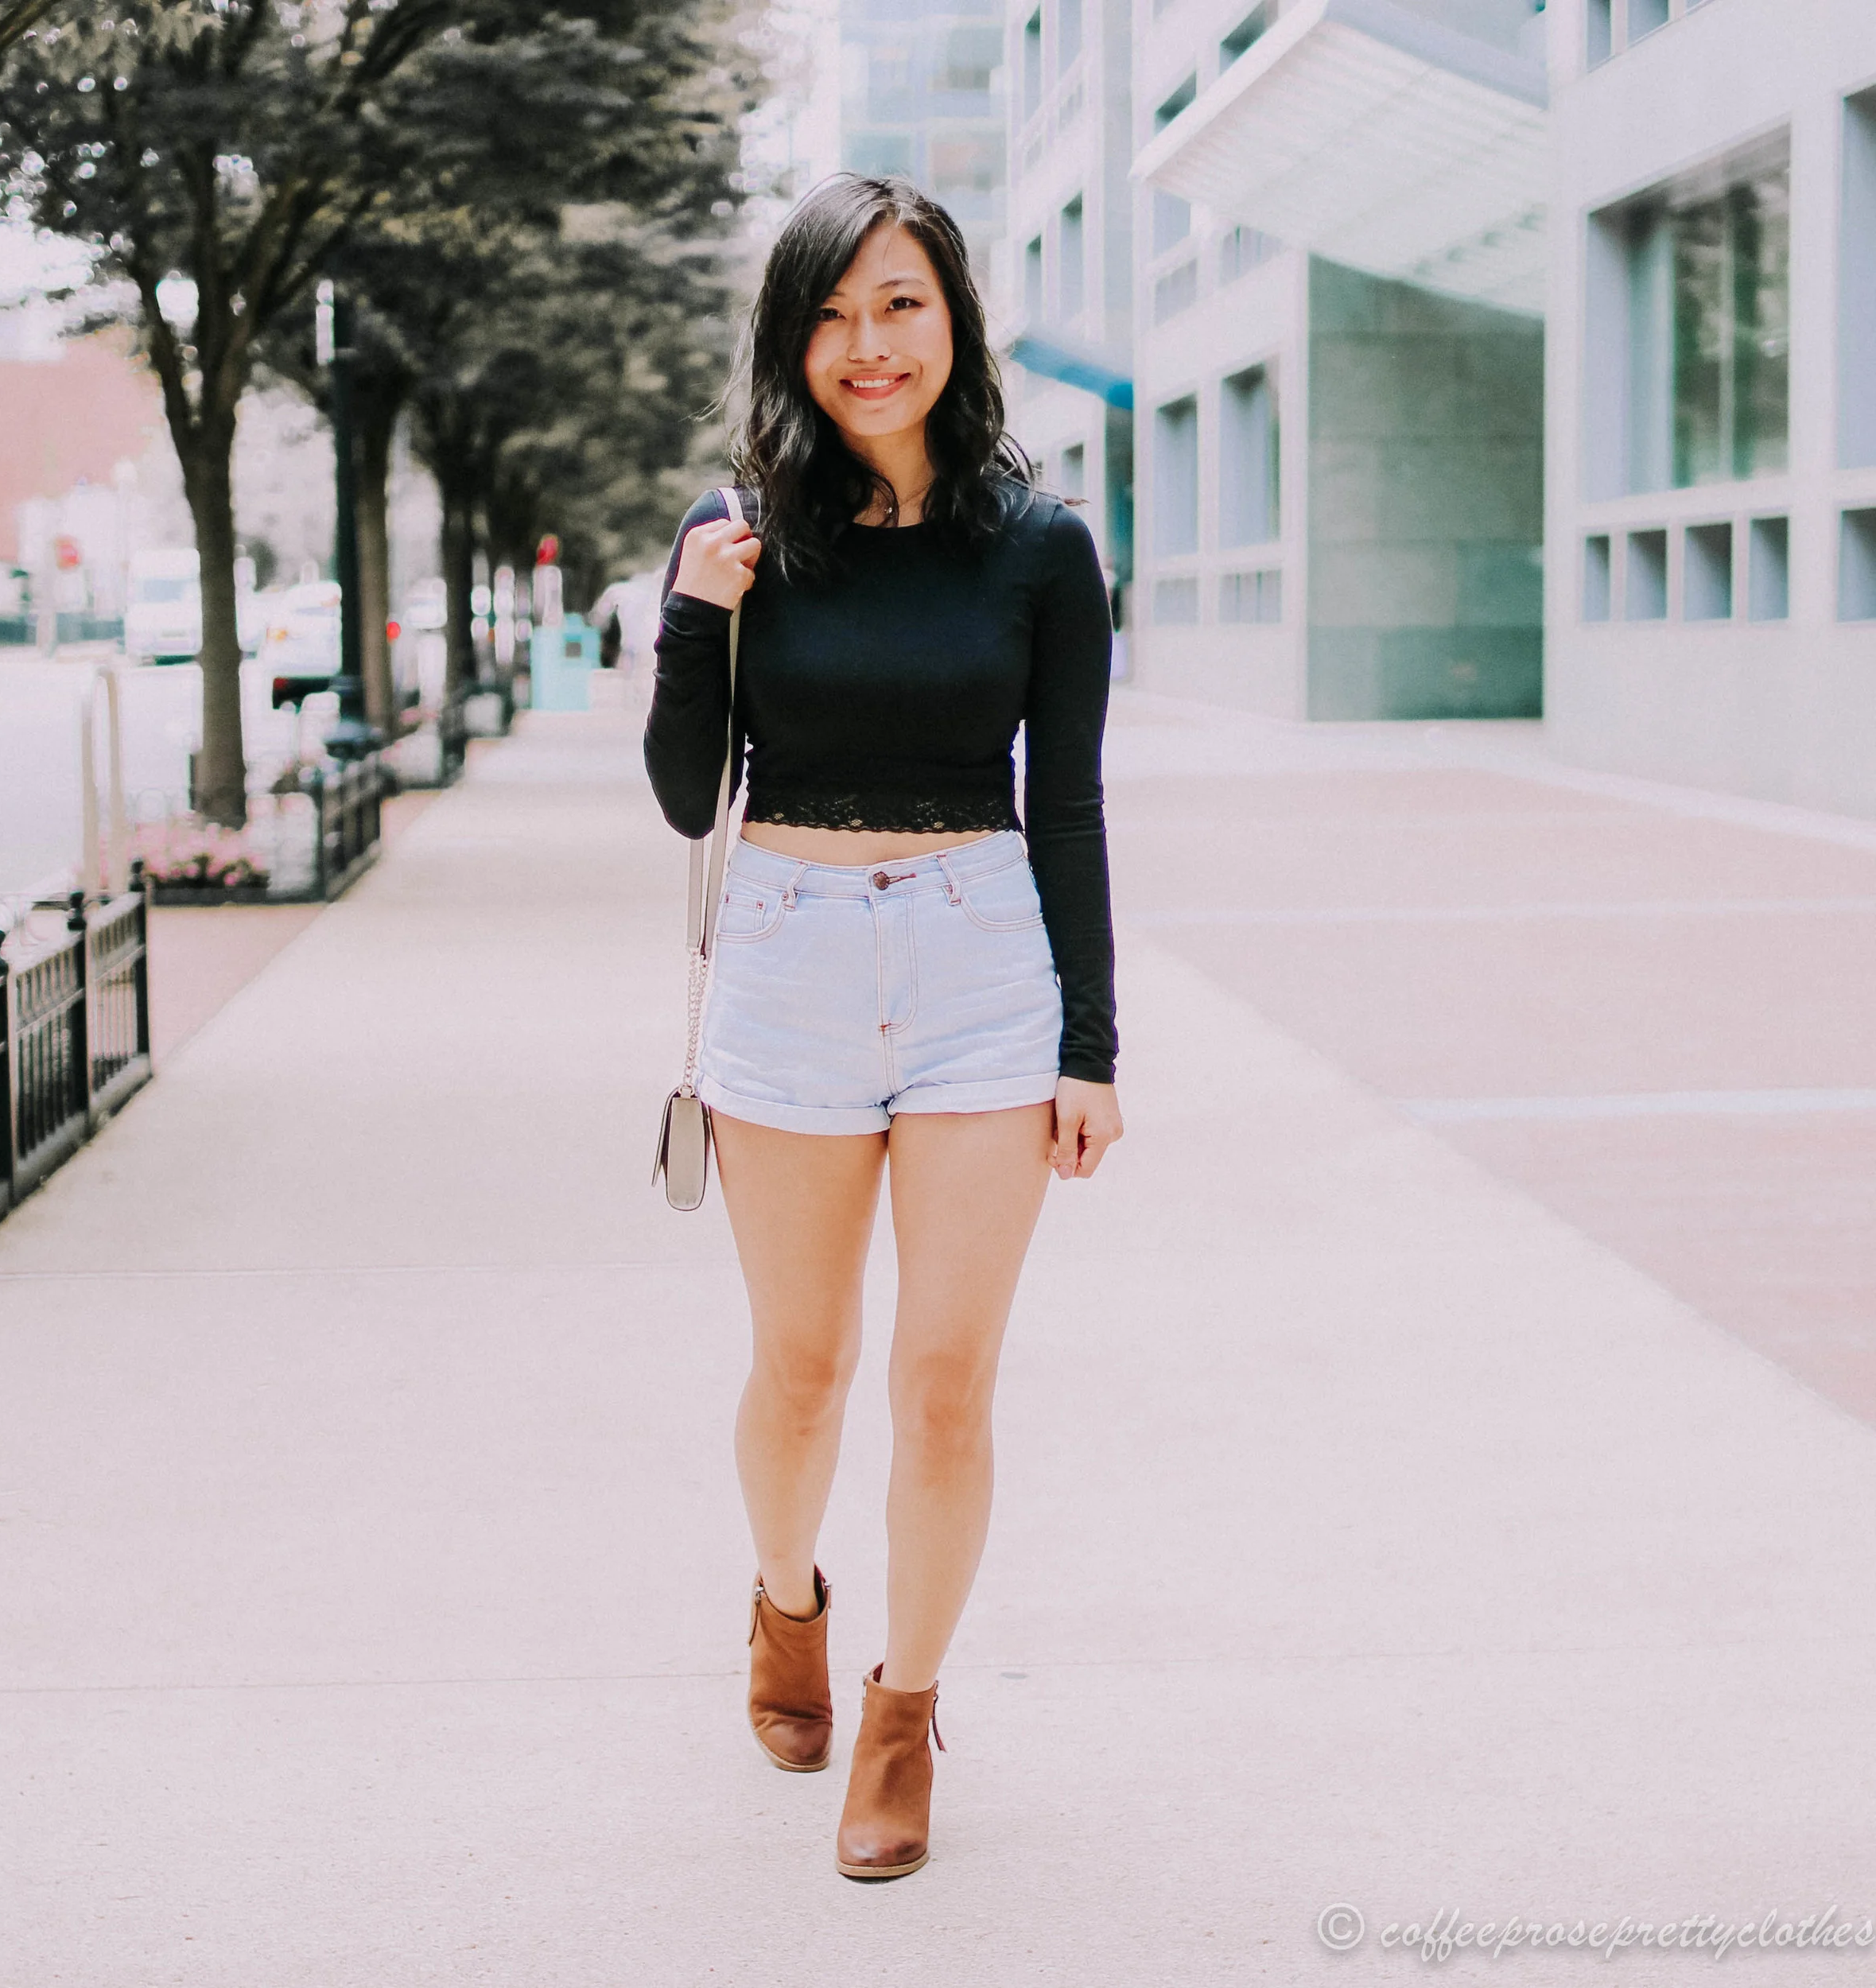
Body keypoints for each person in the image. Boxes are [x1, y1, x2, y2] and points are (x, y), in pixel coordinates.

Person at [643, 173, 1122, 1881]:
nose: (869, 344)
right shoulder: (741, 523)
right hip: (783, 952)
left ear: (953, 320)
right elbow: (680, 786)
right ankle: (785, 1601)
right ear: (794, 336)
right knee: (804, 1364)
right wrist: (700, 608)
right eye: (834, 313)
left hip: (983, 960)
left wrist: (1091, 1043)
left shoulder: (1041, 545)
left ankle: (904, 1705)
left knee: (940, 1383)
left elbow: (1061, 804)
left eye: (900, 303)